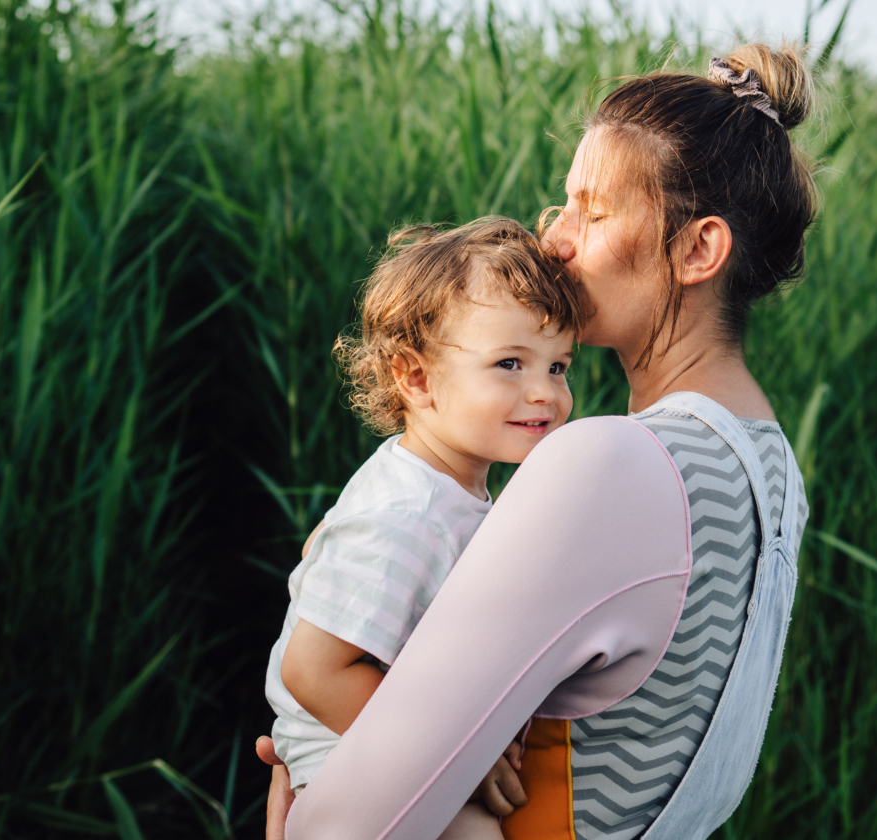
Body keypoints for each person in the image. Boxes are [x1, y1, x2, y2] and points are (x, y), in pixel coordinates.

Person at [258, 42, 818, 840]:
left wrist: (296, 823)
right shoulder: (771, 473)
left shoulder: (613, 465)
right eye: (564, 205)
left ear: (699, 250)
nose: (554, 238)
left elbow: (348, 827)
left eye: (593, 210)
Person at [262, 217, 581, 838]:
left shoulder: (449, 491)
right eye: (511, 363)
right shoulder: (406, 511)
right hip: (345, 759)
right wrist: (454, 761)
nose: (545, 392)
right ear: (416, 378)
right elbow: (314, 668)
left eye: (559, 367)